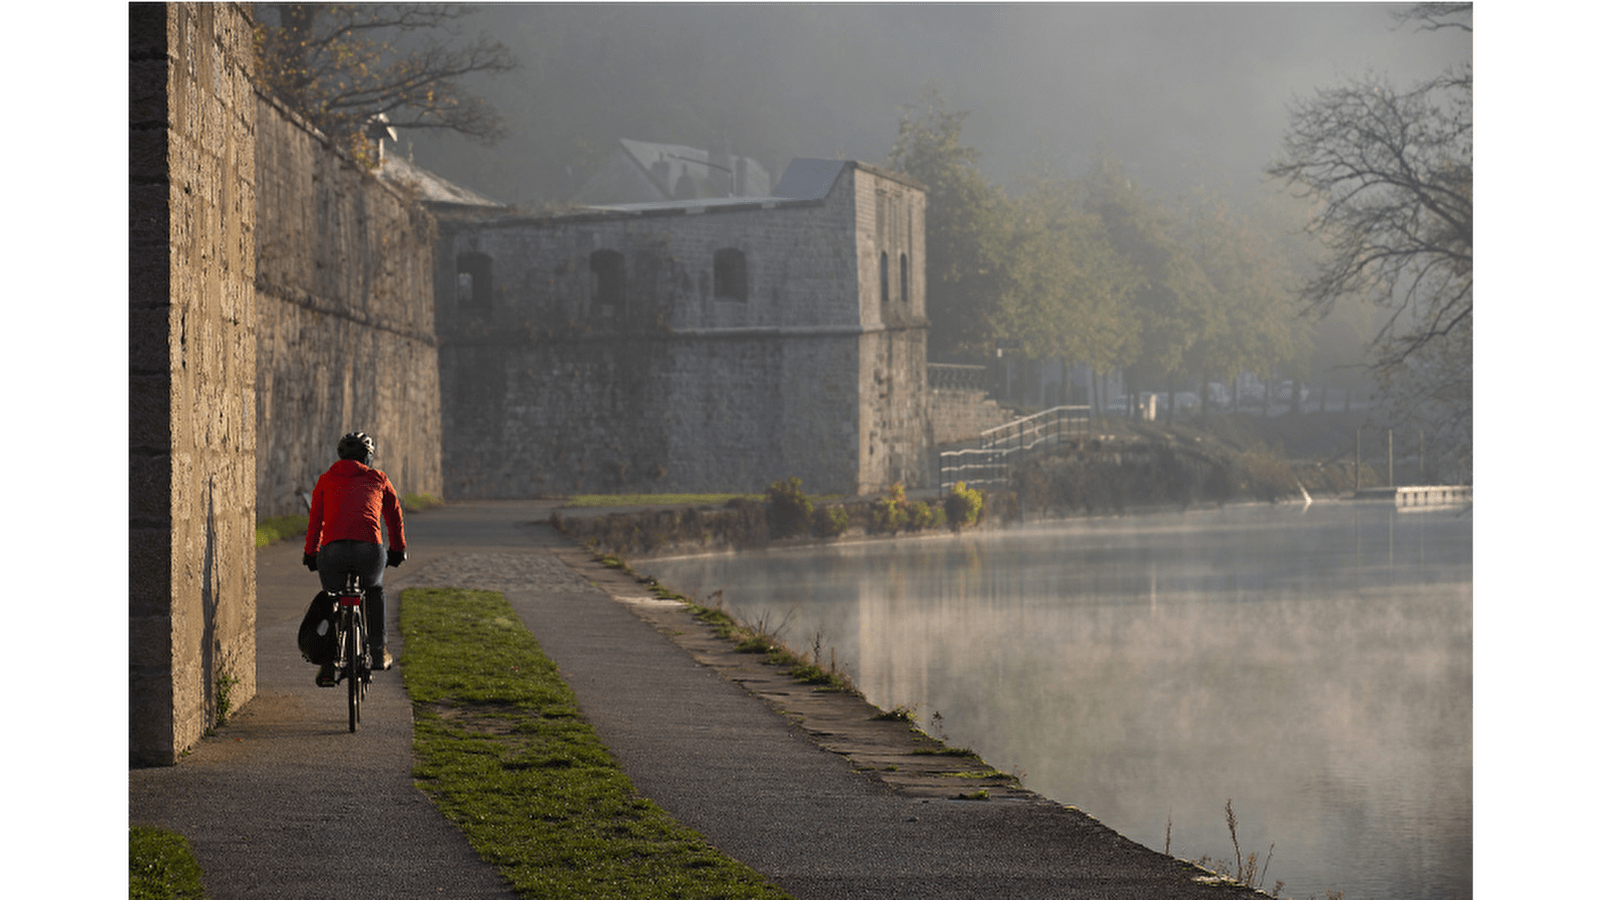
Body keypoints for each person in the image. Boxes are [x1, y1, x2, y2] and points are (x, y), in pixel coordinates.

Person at [303, 431, 407, 686]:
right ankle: (378, 651)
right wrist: (398, 549)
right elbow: (393, 517)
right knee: (374, 589)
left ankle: (328, 663)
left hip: (333, 551)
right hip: (369, 550)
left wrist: (310, 553)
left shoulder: (326, 480)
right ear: (367, 458)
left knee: (332, 598)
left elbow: (316, 520)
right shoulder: (379, 478)